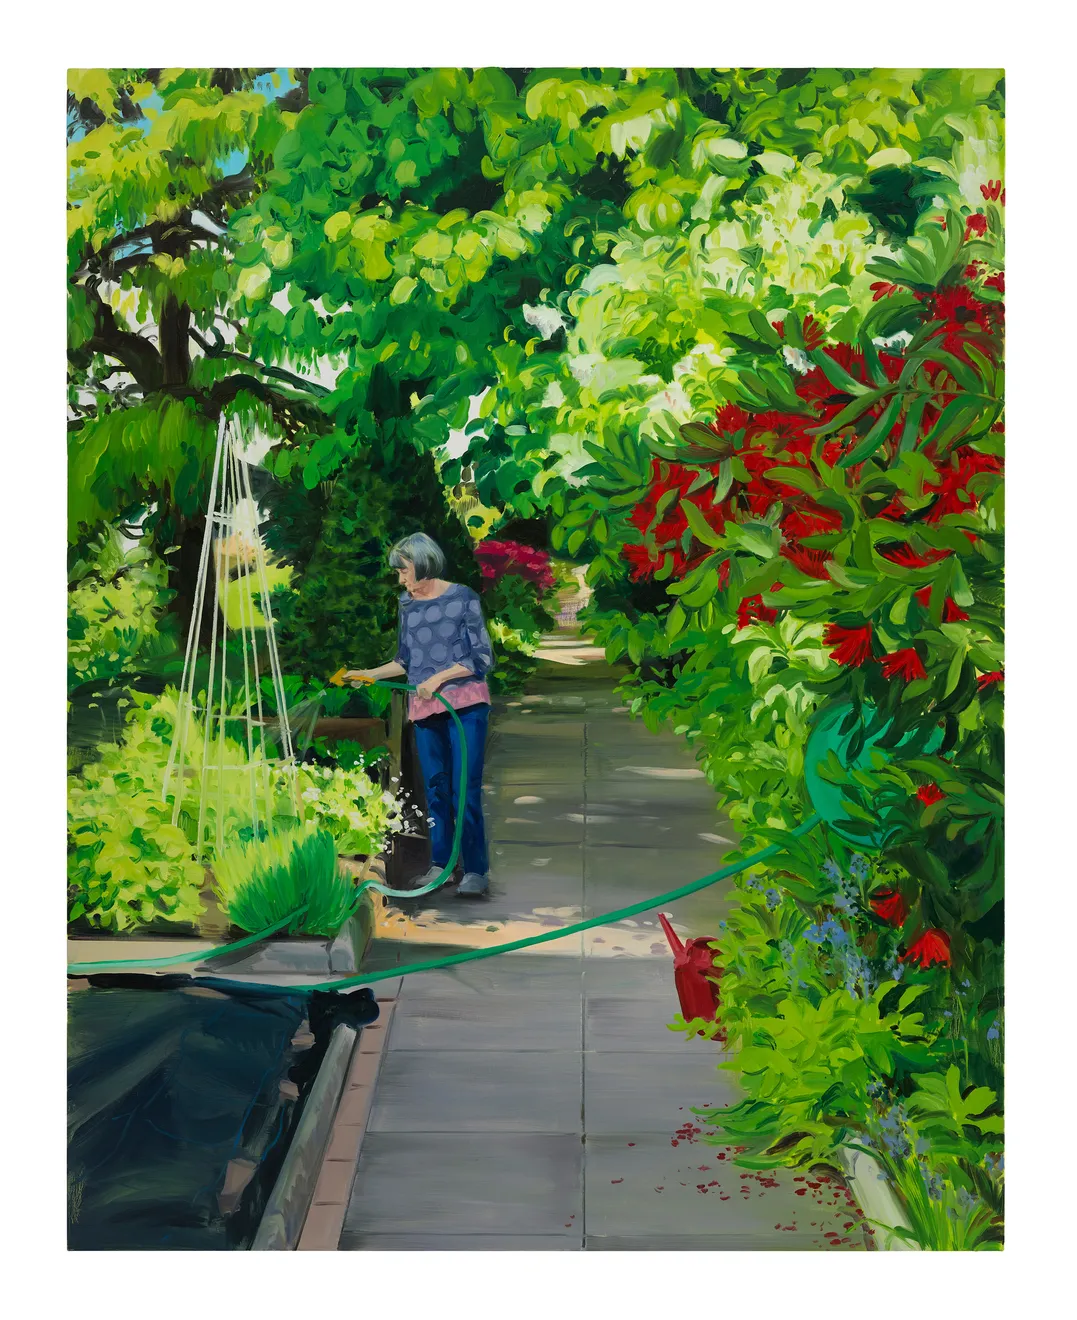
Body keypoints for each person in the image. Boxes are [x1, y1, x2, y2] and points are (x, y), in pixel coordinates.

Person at [344, 532, 494, 897]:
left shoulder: (463, 599)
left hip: (466, 708)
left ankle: (475, 869)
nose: (400, 579)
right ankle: (441, 865)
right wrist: (369, 675)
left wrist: (438, 679)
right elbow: (405, 660)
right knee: (436, 790)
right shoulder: (407, 607)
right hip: (426, 710)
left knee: (464, 790)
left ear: (424, 565)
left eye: (404, 571)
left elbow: (482, 659)